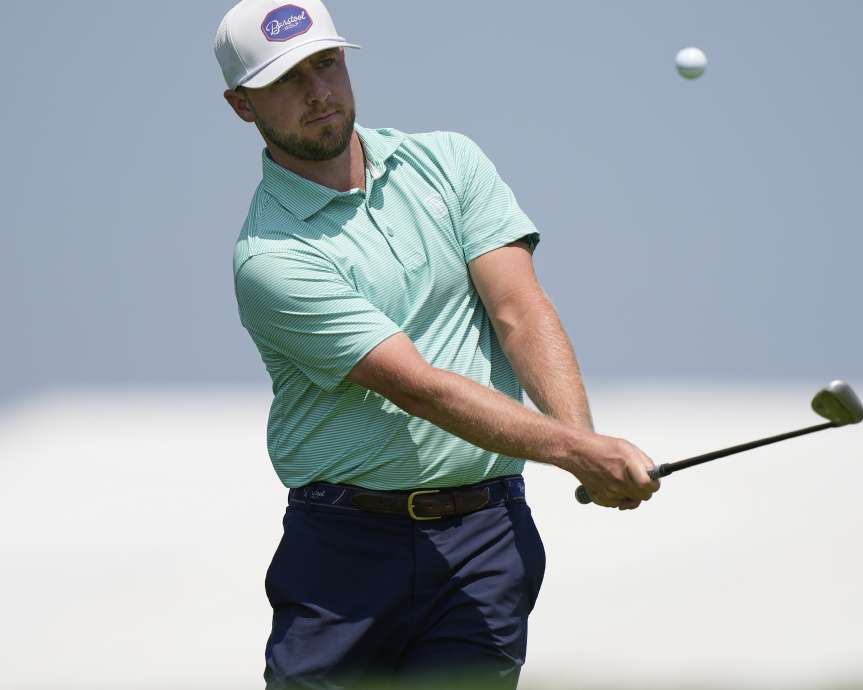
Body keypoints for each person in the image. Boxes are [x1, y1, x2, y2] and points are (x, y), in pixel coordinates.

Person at [214, 1, 660, 687]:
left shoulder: (449, 162)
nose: (319, 92)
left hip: (486, 538)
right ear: (244, 106)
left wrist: (584, 445)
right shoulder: (270, 256)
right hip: (345, 554)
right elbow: (414, 385)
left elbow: (519, 309)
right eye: (287, 80)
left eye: (326, 64)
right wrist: (577, 453)